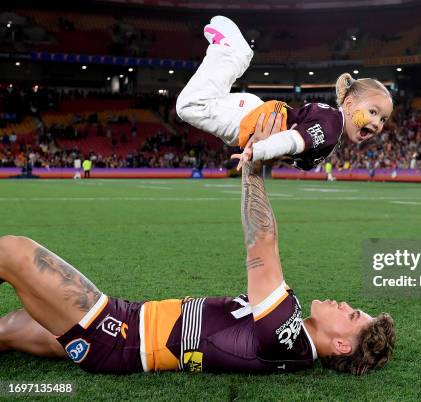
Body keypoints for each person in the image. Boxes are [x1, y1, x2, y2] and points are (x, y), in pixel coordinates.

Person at [0, 113, 395, 376]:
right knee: (9, 330)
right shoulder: (289, 345)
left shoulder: (285, 333)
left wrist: (256, 163)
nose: (346, 305)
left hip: (118, 334)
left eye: (353, 315)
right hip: (123, 335)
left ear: (341, 345)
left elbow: (262, 242)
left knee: (12, 251)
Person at [176, 16, 393, 171]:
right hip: (254, 120)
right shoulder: (332, 126)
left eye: (383, 118)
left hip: (256, 117)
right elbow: (292, 140)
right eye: (373, 111)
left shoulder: (333, 128)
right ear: (348, 103)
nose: (377, 123)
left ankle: (232, 54)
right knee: (191, 106)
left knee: (205, 102)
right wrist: (257, 152)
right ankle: (232, 53)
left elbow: (296, 149)